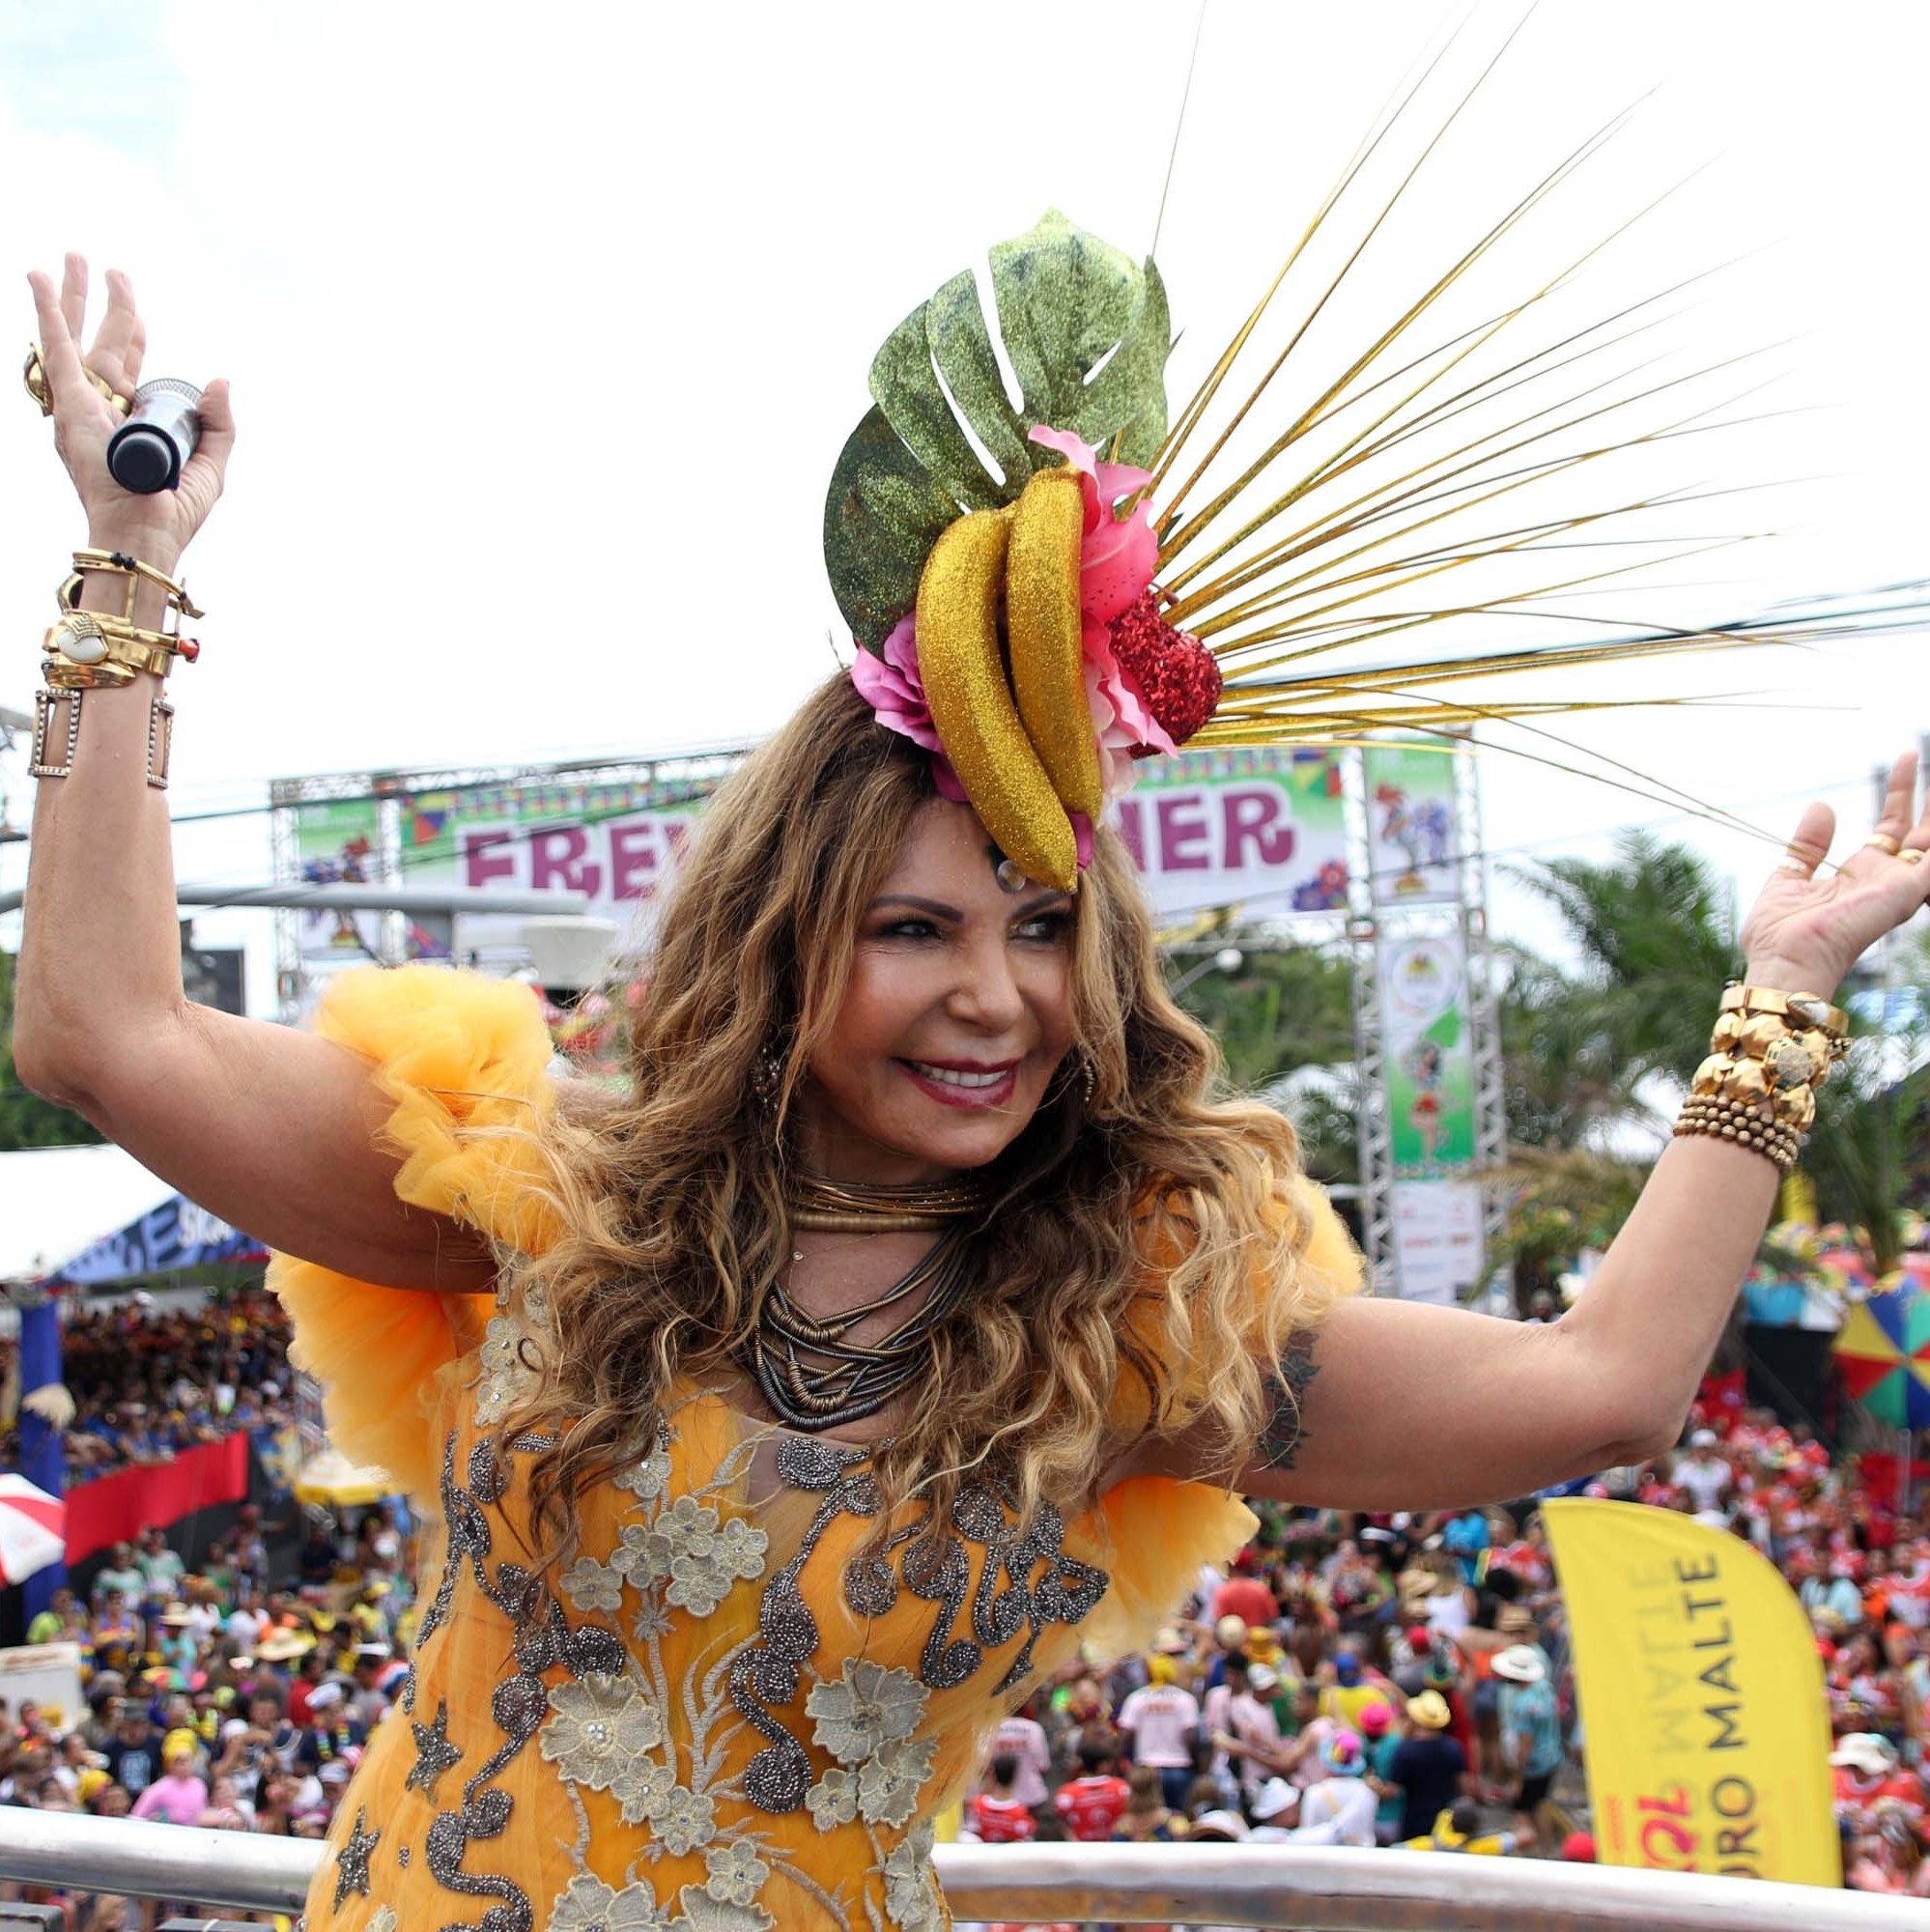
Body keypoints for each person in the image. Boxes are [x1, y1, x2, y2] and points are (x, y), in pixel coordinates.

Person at [20, 198, 1929, 1932]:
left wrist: (1779, 996)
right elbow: (103, 1036)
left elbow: (1603, 1390)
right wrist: (128, 574)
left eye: (1039, 928)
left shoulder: (1122, 1320)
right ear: (787, 943)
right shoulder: (553, 1197)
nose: (995, 997)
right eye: (915, 930)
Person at [1493, 1644, 1565, 1846]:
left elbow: (1525, 1744)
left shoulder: (1524, 1706)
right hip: (1551, 1758)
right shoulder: (1545, 1689)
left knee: (1520, 1809)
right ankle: (1547, 1846)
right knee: (1539, 1803)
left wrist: (1517, 1778)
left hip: (1533, 1765)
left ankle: (1528, 1851)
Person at [1388, 1690, 1469, 1843]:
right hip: (1446, 1821)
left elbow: (1393, 1790)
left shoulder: (1405, 1751)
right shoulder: (1453, 1747)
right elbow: (1464, 1785)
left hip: (1414, 1821)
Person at [1051, 1737, 1130, 1842]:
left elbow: (1061, 1822)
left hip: (1082, 1851)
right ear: (1103, 1765)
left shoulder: (1067, 1792)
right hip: (1115, 1848)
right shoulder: (1121, 1788)